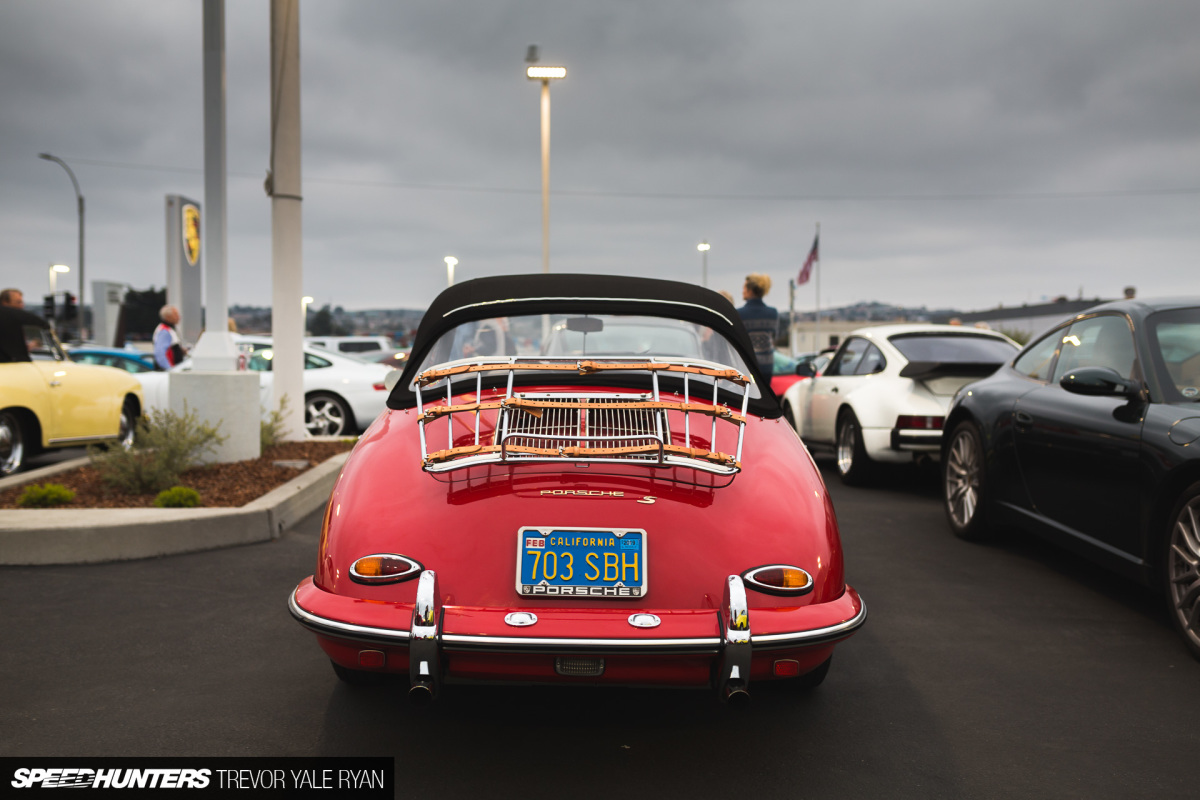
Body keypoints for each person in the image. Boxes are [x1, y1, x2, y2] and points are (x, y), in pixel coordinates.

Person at [737, 273, 779, 379]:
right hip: (767, 367)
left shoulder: (739, 314)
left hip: (747, 367)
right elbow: (774, 338)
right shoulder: (773, 313)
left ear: (750, 290)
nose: (742, 291)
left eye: (744, 288)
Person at [0, 288, 50, 363]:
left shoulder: (13, 321)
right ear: (5, 303)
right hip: (11, 363)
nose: (21, 306)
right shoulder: (11, 315)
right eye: (18, 302)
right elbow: (41, 323)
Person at [153, 305, 186, 370]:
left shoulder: (169, 329)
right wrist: (170, 370)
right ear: (168, 317)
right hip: (169, 373)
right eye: (176, 315)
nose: (179, 317)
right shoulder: (164, 331)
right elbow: (160, 354)